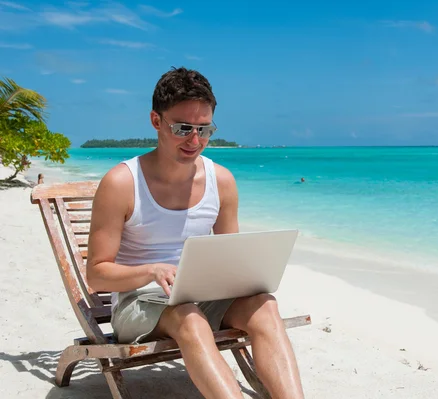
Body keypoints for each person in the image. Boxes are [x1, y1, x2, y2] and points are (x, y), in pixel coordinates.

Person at [86, 67, 305, 399]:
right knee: (188, 317)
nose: (195, 141)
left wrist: (251, 275)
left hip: (200, 297)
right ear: (156, 121)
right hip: (139, 303)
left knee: (265, 306)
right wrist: (151, 270)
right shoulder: (121, 183)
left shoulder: (222, 181)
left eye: (204, 129)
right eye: (183, 128)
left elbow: (233, 261)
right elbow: (97, 275)